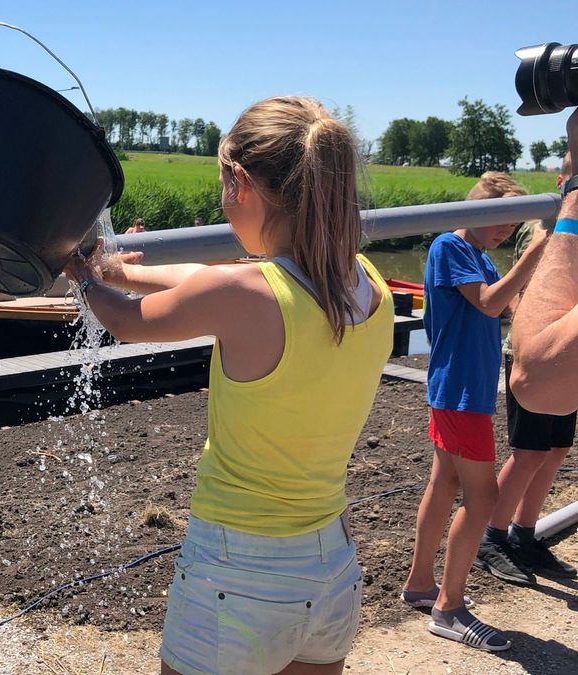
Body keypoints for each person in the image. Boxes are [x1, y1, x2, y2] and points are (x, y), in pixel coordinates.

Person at [66, 96, 392, 675]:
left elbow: (125, 321)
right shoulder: (368, 284)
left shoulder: (247, 295)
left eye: (223, 184)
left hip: (237, 570)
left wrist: (82, 276)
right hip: (332, 564)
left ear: (241, 181)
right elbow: (216, 280)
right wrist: (123, 270)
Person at [402, 171, 548, 652]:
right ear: (476, 208)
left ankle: (422, 584)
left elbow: (501, 308)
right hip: (461, 392)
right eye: (499, 220)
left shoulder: (479, 257)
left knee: (445, 483)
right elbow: (487, 305)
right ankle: (449, 607)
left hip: (464, 391)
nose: (505, 231)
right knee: (482, 499)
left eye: (512, 226)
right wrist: (535, 251)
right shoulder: (450, 246)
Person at [474, 154, 577, 587]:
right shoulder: (545, 228)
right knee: (529, 452)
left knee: (555, 450)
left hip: (565, 355)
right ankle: (492, 537)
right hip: (531, 351)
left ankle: (524, 533)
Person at [511, 108, 578, 415]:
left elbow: (533, 381)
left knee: (546, 451)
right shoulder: (535, 228)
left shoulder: (553, 228)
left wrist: (575, 193)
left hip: (547, 342)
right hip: (545, 338)